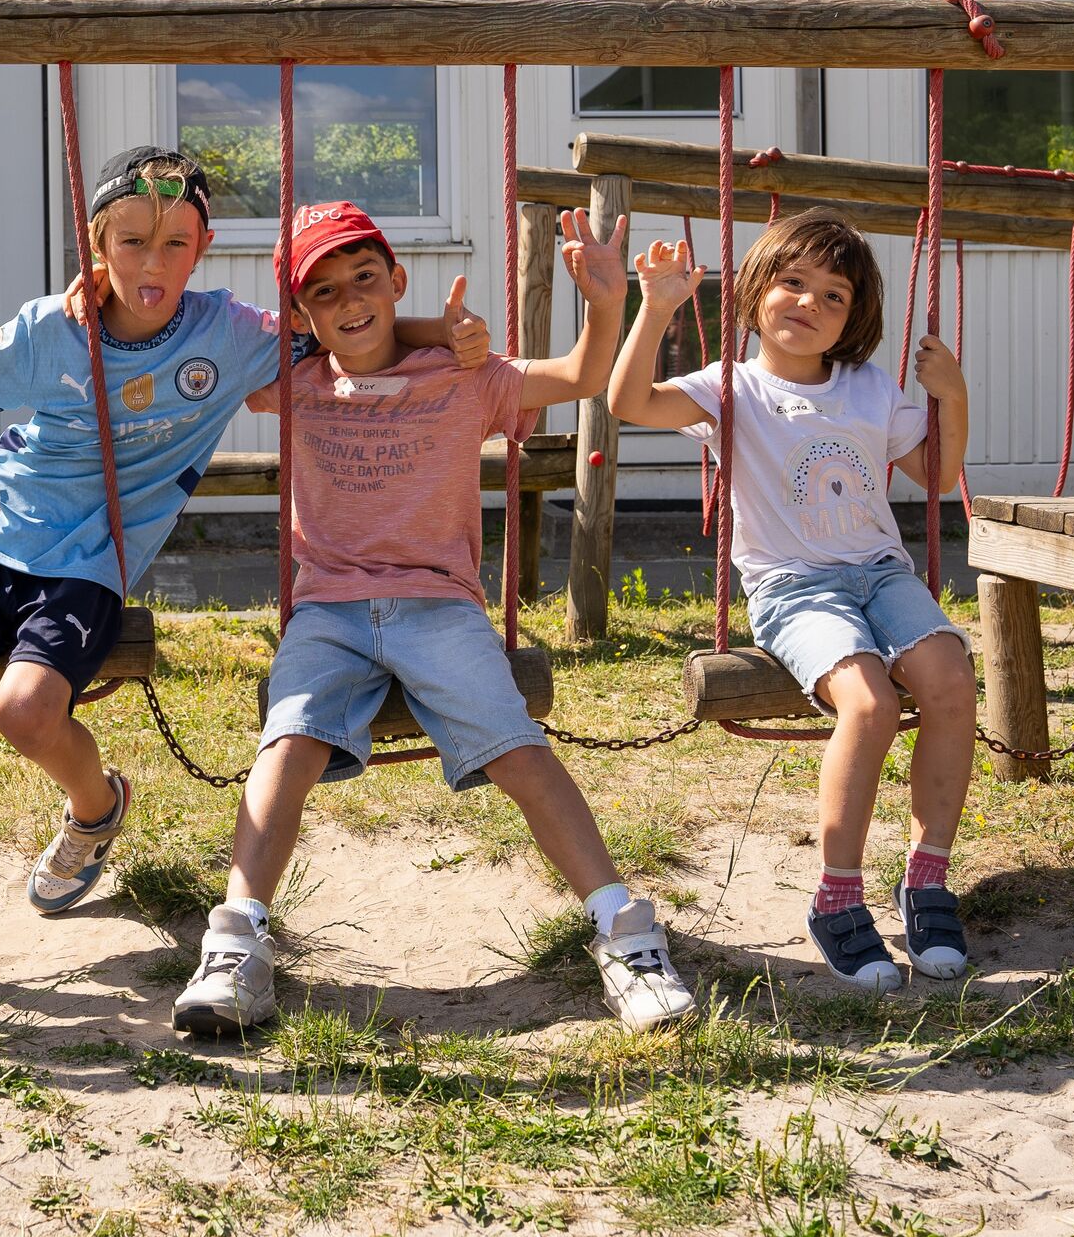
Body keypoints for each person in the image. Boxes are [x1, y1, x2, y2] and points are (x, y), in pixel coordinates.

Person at [0, 150, 486, 994]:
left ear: (202, 248)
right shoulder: (51, 329)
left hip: (94, 559)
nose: (152, 262)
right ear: (98, 249)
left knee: (25, 710)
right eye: (131, 241)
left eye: (174, 242)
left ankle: (96, 808)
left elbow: (345, 331)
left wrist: (439, 334)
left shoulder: (228, 336)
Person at [169, 200, 697, 1036]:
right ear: (302, 316)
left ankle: (624, 930)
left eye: (365, 278)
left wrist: (606, 303)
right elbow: (201, 341)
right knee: (287, 743)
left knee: (519, 748)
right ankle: (236, 940)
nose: (350, 300)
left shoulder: (466, 374)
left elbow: (580, 376)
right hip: (329, 610)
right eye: (324, 291)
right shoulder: (293, 383)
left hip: (439, 605)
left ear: (397, 278)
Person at [607, 208, 974, 993]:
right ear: (755, 290)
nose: (809, 302)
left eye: (833, 295)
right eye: (794, 282)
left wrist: (953, 395)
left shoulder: (868, 389)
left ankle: (926, 877)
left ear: (853, 319)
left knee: (951, 680)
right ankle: (837, 895)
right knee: (870, 704)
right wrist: (657, 308)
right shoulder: (730, 388)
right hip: (794, 584)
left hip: (882, 574)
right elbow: (629, 402)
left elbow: (938, 474)